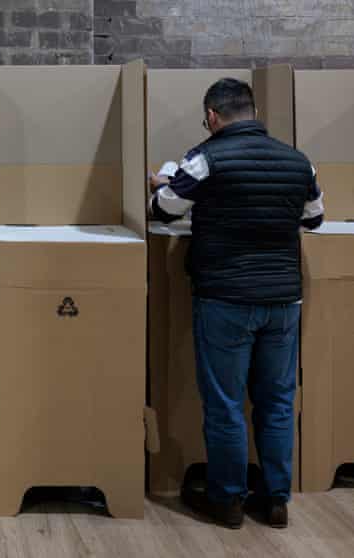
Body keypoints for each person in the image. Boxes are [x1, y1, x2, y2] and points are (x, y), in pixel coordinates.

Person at [150, 78, 324, 530]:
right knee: (278, 402)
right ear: (252, 110)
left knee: (226, 404)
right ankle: (277, 499)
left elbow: (165, 209)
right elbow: (315, 217)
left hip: (225, 298)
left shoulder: (206, 158)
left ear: (212, 116)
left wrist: (163, 181)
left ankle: (227, 501)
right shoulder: (297, 160)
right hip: (283, 300)